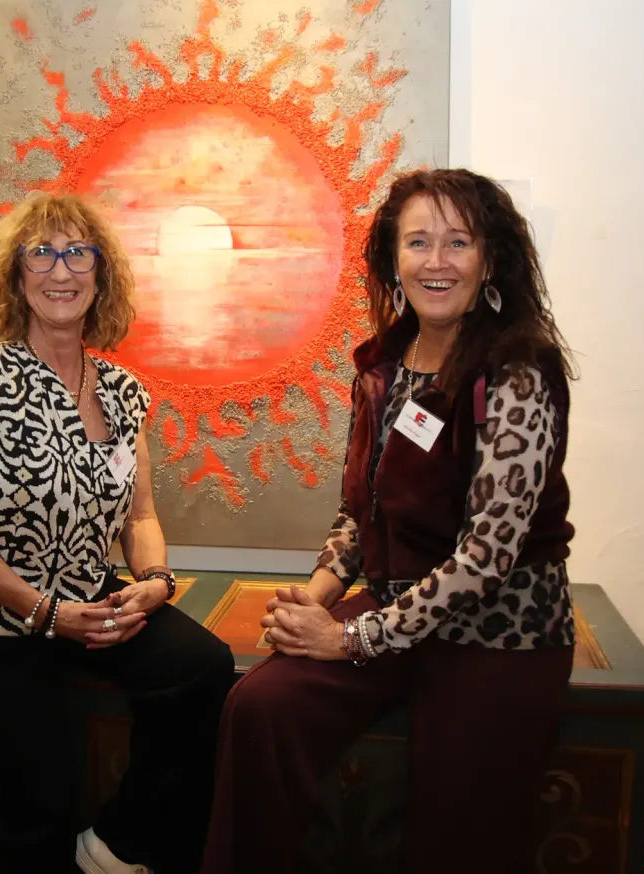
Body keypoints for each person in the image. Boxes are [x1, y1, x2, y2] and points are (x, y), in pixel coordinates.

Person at [201, 168, 578, 874]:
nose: (437, 262)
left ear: (489, 259)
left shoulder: (518, 370)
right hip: (392, 615)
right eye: (419, 243)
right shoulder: (382, 367)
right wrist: (313, 600)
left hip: (498, 633)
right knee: (259, 707)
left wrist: (349, 639)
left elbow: (487, 557)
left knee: (454, 831)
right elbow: (357, 513)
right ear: (393, 260)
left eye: (458, 242)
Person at [0, 191, 235, 874]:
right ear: (17, 275)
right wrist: (44, 611)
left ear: (101, 274)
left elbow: (141, 514)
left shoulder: (122, 389)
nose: (60, 271)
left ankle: (120, 846)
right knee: (41, 805)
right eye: (42, 253)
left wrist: (153, 582)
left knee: (203, 670)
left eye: (77, 253)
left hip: (87, 596)